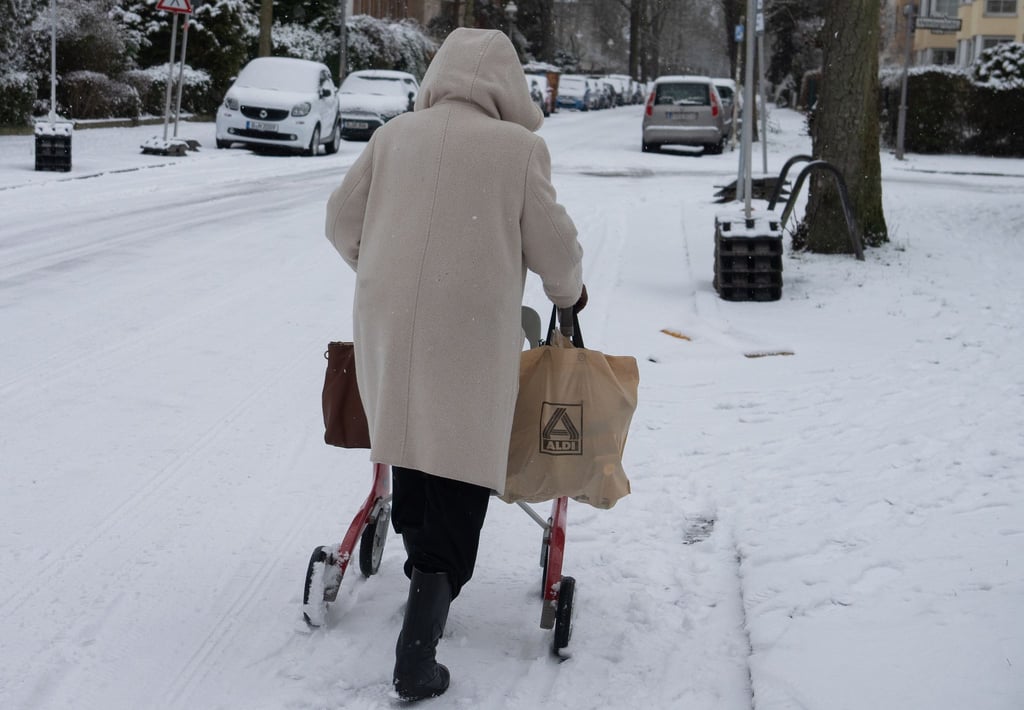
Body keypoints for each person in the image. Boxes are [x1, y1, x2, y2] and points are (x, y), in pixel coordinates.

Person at [324, 28, 586, 701]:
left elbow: (339, 222)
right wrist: (569, 295)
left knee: (410, 437)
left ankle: (419, 565)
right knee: (463, 456)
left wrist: (379, 265)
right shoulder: (519, 150)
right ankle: (420, 640)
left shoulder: (394, 135)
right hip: (470, 327)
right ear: (509, 85)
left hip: (389, 317)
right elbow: (554, 250)